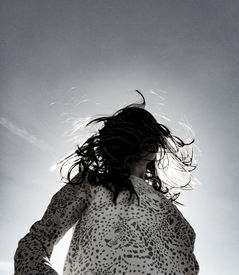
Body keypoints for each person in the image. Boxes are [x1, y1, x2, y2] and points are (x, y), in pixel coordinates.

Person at [14, 90, 200, 275]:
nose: (147, 138)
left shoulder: (175, 217)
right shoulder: (91, 184)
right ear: (120, 138)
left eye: (149, 130)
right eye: (138, 129)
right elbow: (36, 242)